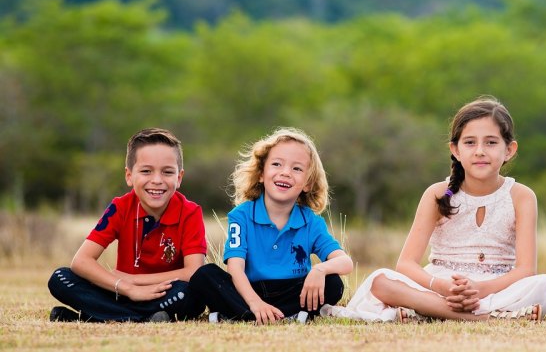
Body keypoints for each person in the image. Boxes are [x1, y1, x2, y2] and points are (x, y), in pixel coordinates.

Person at [323, 96, 546, 322]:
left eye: (491, 142)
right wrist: (441, 286)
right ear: (456, 150)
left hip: (496, 287)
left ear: (509, 149)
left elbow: (526, 270)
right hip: (441, 286)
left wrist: (479, 289)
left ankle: (429, 312)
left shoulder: (521, 196)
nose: (480, 150)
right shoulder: (438, 193)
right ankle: (488, 318)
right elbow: (406, 264)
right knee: (381, 281)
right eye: (470, 142)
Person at [188, 127, 353, 324]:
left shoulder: (311, 222)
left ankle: (243, 315)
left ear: (308, 183)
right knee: (204, 276)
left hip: (292, 292)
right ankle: (262, 314)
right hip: (248, 291)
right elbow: (235, 268)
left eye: (297, 168)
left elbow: (345, 262)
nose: (285, 173)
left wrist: (319, 270)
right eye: (276, 164)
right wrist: (256, 302)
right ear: (261, 173)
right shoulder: (241, 216)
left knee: (333, 284)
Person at [48, 128, 207, 322]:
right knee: (60, 278)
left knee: (188, 295)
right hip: (122, 293)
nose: (157, 180)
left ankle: (98, 316)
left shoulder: (190, 212)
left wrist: (135, 280)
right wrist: (128, 288)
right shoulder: (120, 207)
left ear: (179, 177)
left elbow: (193, 272)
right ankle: (138, 318)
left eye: (167, 172)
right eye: (146, 171)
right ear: (129, 176)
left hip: (165, 294)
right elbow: (81, 261)